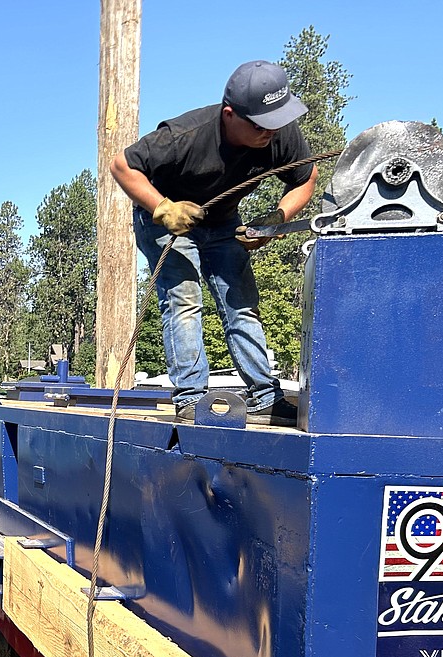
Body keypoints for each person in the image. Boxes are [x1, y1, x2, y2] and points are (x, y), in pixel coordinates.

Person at [110, 60, 318, 426]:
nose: (270, 132)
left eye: (277, 121)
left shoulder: (280, 132)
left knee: (241, 303)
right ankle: (191, 397)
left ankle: (265, 397)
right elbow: (121, 166)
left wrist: (278, 219)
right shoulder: (185, 135)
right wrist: (163, 208)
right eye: (260, 125)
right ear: (229, 115)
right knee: (184, 300)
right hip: (166, 220)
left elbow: (306, 177)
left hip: (223, 221)